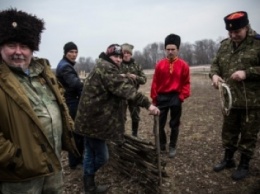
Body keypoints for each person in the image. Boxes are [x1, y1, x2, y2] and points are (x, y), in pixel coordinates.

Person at [0, 8, 78, 194]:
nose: (18, 52)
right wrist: (17, 159)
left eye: (24, 46)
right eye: (12, 45)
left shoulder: (43, 74)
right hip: (20, 176)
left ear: (32, 50)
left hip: (53, 165)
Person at [74, 44, 160, 193]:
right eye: (116, 56)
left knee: (89, 152)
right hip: (95, 122)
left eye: (121, 57)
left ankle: (89, 186)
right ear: (108, 56)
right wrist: (148, 104)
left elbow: (117, 82)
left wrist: (125, 77)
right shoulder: (107, 68)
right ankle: (88, 177)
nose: (119, 60)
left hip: (88, 120)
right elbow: (125, 89)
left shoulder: (102, 66)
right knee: (102, 157)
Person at [209, 11, 260, 181]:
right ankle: (228, 158)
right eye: (230, 32)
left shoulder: (257, 43)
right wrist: (214, 75)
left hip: (251, 102)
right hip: (229, 101)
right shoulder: (225, 45)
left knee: (248, 133)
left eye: (236, 32)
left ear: (246, 27)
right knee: (228, 131)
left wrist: (247, 73)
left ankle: (244, 163)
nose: (233, 35)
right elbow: (215, 64)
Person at [150, 34, 190, 158]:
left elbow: (186, 83)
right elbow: (155, 82)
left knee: (174, 124)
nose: (170, 52)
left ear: (178, 49)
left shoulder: (184, 65)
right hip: (161, 97)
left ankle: (172, 146)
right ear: (165, 49)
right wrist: (154, 98)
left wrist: (181, 97)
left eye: (173, 49)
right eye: (168, 49)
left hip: (175, 97)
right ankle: (162, 144)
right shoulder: (159, 65)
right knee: (159, 124)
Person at [56, 42, 84, 170]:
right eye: (71, 52)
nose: (74, 55)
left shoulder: (65, 64)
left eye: (75, 52)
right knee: (75, 132)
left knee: (75, 131)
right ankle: (75, 162)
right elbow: (75, 85)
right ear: (65, 52)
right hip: (71, 102)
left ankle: (77, 159)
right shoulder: (66, 67)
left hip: (70, 100)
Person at [120, 43, 147, 137]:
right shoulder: (117, 64)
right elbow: (112, 78)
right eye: (124, 52)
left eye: (128, 52)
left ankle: (134, 135)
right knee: (121, 117)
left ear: (131, 54)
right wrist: (121, 77)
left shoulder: (136, 65)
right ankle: (121, 136)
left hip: (133, 94)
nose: (126, 54)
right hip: (121, 96)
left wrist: (136, 77)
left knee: (135, 116)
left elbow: (144, 79)